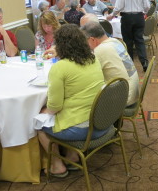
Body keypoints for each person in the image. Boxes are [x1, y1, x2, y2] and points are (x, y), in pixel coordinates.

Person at [36, 24, 106, 177]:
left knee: (38, 122)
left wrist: (42, 111)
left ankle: (56, 165)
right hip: (101, 121)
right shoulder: (93, 59)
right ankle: (72, 156)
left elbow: (54, 107)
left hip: (83, 129)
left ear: (60, 45)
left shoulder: (60, 67)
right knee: (70, 110)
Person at [81, 21, 139, 106]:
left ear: (92, 39)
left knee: (83, 96)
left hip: (123, 99)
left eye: (86, 42)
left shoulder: (100, 50)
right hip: (133, 92)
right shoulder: (115, 41)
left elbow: (86, 73)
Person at [107, 0, 150, 72]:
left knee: (128, 41)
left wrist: (112, 15)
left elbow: (119, 6)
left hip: (126, 18)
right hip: (139, 17)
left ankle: (129, 64)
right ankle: (144, 62)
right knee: (139, 40)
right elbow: (147, 6)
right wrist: (143, 12)